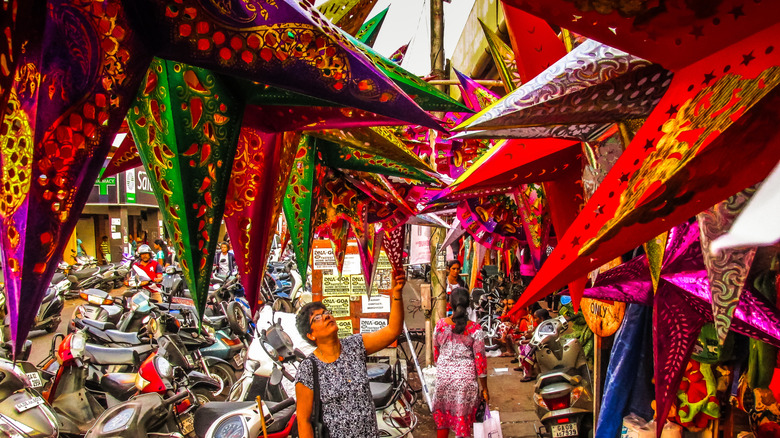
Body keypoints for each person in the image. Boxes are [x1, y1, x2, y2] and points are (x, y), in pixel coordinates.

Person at [294, 274, 407, 438]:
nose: (326, 316)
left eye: (326, 312)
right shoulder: (308, 368)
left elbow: (392, 331)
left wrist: (397, 294)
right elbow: (303, 421)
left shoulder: (355, 345)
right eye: (317, 318)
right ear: (311, 335)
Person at [433, 287, 488, 438]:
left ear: (450, 304)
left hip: (443, 378)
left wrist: (445, 369)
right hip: (465, 382)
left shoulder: (440, 325)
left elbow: (436, 354)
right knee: (462, 422)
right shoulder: (475, 329)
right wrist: (485, 388)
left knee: (442, 418)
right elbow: (480, 362)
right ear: (469, 304)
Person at [515, 308, 550, 381]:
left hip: (543, 345)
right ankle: (523, 366)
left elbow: (539, 340)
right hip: (538, 342)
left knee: (527, 347)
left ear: (541, 318)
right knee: (523, 344)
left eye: (535, 318)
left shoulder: (546, 326)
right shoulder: (541, 325)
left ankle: (530, 372)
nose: (534, 320)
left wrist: (524, 341)